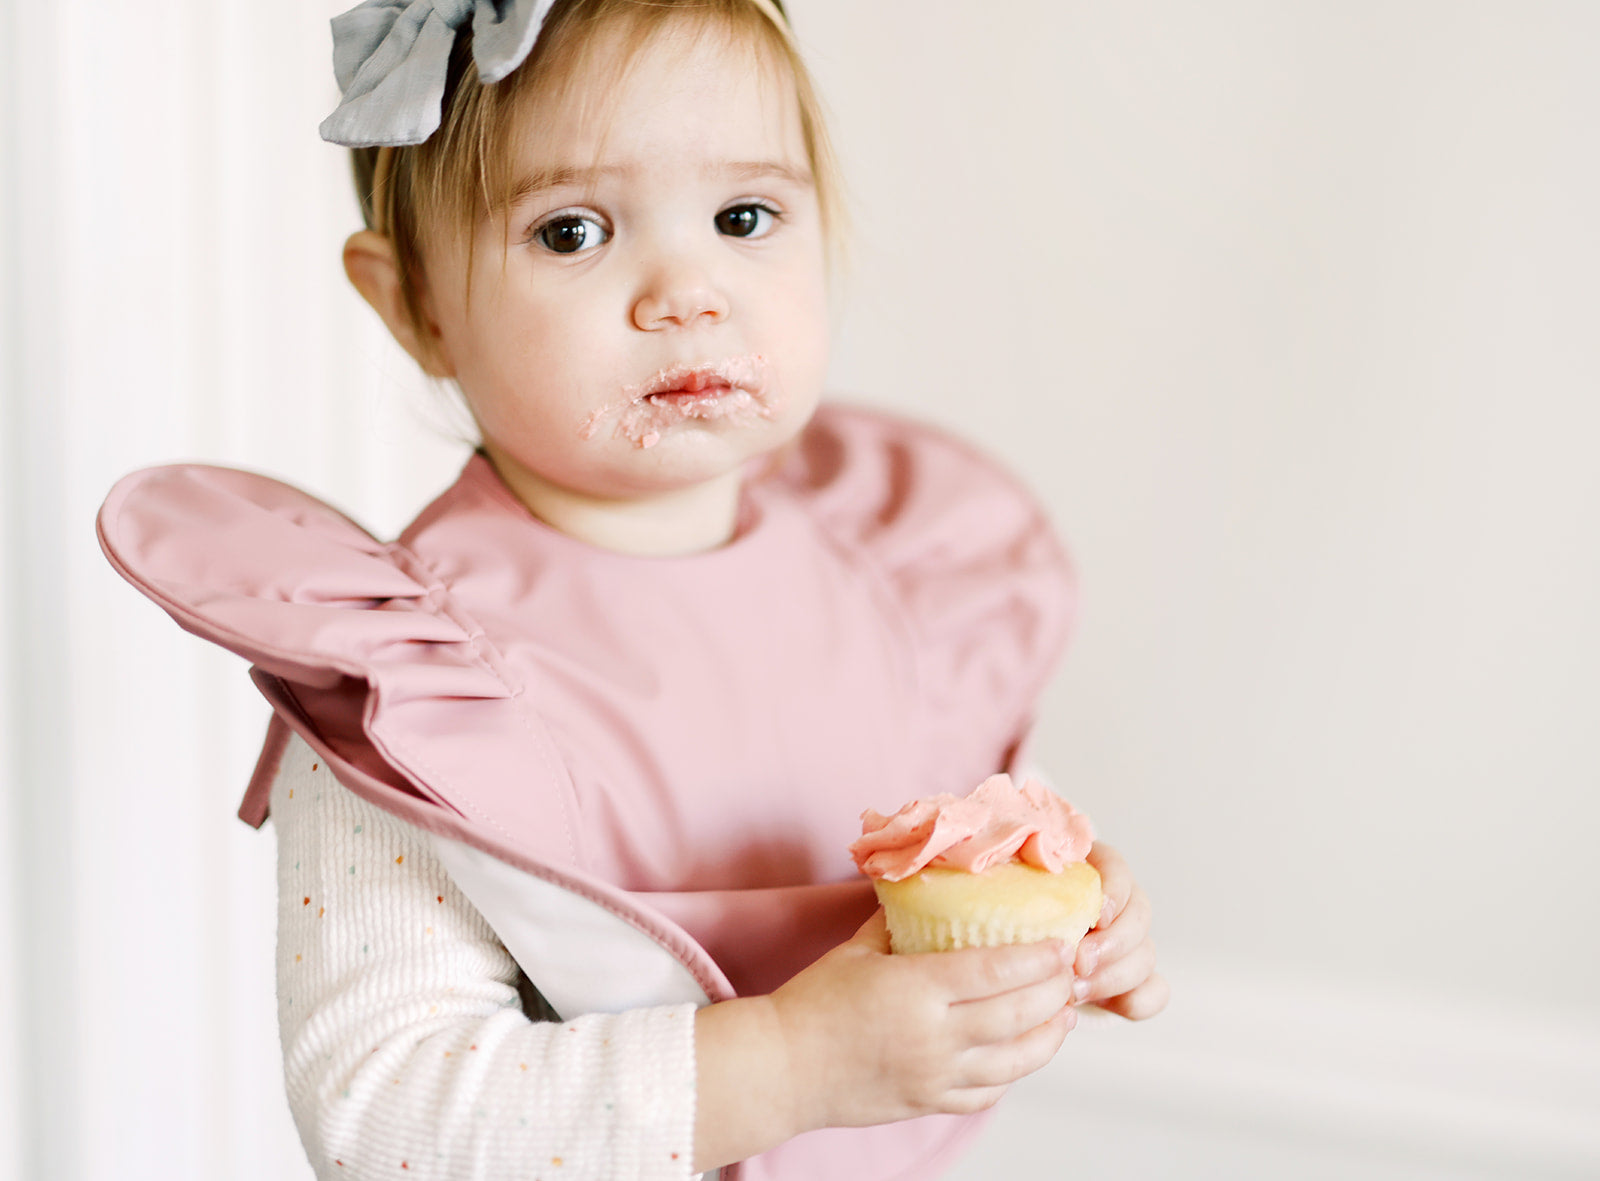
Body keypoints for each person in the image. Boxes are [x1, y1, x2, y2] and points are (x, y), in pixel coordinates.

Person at [96, 1, 1168, 1177]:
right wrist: (791, 1061)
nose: (686, 290)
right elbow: (384, 1115)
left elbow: (973, 881)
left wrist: (1072, 930)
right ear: (416, 307)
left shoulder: (897, 583)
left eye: (743, 216)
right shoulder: (412, 690)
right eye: (571, 232)